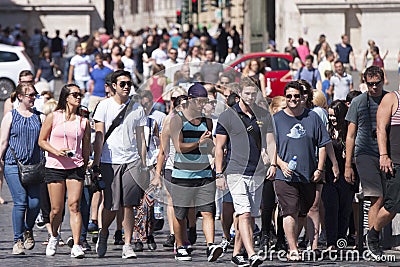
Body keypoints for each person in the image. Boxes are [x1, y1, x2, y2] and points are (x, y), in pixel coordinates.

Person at [215, 77, 276, 266]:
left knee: (248, 214)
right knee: (245, 213)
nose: (250, 97)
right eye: (246, 93)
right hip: (235, 170)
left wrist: (273, 164)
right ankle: (251, 254)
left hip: (256, 171)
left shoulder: (264, 115)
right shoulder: (228, 116)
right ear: (239, 93)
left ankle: (236, 253)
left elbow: (271, 141)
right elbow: (219, 147)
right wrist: (219, 173)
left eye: (253, 93)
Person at [92, 70, 147, 259]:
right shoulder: (104, 106)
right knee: (111, 205)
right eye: (122, 83)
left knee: (129, 204)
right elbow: (99, 137)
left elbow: (141, 138)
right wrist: (96, 163)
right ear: (113, 86)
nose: (126, 87)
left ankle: (128, 244)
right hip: (110, 160)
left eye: (129, 84)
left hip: (131, 160)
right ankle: (104, 231)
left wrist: (144, 162)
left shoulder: (137, 108)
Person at [273, 81, 330, 260]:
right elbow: (268, 147)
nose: (293, 99)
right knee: (289, 211)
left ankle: (310, 246)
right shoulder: (276, 120)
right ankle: (293, 249)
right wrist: (280, 164)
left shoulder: (312, 117)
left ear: (302, 97)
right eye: (289, 96)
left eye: (296, 96)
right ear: (285, 97)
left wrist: (320, 169)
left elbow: (322, 144)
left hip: (309, 173)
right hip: (285, 175)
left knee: (308, 211)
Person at [169, 83, 223, 262]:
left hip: (204, 174)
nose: (202, 104)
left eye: (205, 101)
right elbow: (179, 147)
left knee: (208, 212)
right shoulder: (178, 119)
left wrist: (210, 146)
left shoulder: (207, 121)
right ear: (190, 99)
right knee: (180, 214)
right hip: (182, 175)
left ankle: (210, 246)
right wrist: (199, 143)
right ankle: (180, 246)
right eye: (200, 101)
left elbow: (208, 148)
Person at [38, 84, 91, 258]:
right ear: (66, 97)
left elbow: (87, 146)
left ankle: (76, 245)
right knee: (56, 209)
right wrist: (55, 151)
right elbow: (42, 140)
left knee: (75, 206)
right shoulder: (53, 117)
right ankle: (54, 235)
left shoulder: (83, 121)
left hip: (75, 166)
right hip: (54, 166)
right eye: (74, 94)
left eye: (80, 94)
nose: (78, 97)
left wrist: (86, 163)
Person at [345, 66, 387, 255]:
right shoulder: (358, 102)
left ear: (382, 80)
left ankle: (375, 237)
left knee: (389, 198)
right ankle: (372, 241)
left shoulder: (389, 99)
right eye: (370, 84)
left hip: (386, 153)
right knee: (375, 196)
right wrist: (348, 165)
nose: (374, 88)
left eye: (377, 83)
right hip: (365, 153)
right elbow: (350, 135)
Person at [0, 82, 43, 255]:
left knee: (35, 203)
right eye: (30, 95)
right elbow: (3, 141)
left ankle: (27, 229)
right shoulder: (11, 116)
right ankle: (17, 240)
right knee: (20, 201)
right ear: (20, 96)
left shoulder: (39, 117)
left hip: (34, 166)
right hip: (13, 164)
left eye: (35, 94)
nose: (33, 97)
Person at [366, 77, 400, 260]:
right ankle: (372, 236)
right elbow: (380, 129)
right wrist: (384, 155)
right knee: (392, 205)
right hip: (396, 160)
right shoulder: (392, 99)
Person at [322, 100, 354, 250]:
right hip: (329, 175)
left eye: (335, 116)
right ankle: (331, 242)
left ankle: (342, 239)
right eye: (330, 116)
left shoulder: (349, 131)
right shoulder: (326, 130)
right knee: (331, 209)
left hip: (346, 175)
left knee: (345, 210)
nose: (332, 119)